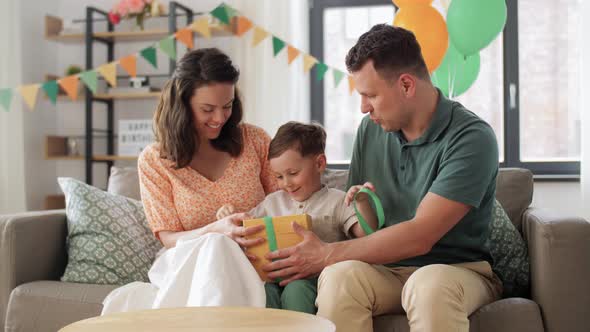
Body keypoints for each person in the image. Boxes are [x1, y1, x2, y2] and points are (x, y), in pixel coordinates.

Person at [261, 24, 503, 332]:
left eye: (370, 95)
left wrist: (326, 253)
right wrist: (362, 208)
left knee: (428, 285)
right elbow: (367, 228)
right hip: (385, 270)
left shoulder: (471, 137)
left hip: (457, 270)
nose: (363, 108)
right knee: (338, 277)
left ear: (405, 85)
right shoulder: (372, 130)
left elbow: (421, 235)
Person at [101, 48, 278, 313]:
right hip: (186, 263)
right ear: (182, 104)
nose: (219, 118)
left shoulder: (255, 141)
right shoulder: (155, 160)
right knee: (217, 244)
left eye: (227, 106)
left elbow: (285, 203)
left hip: (253, 261)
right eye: (207, 109)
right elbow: (169, 237)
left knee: (221, 245)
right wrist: (215, 230)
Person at [216, 121, 377, 315]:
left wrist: (362, 203)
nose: (287, 184)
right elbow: (246, 228)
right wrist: (230, 216)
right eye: (278, 177)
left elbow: (367, 234)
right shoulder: (272, 202)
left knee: (296, 289)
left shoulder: (338, 201)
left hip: (315, 281)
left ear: (319, 164)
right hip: (274, 279)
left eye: (293, 173)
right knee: (262, 290)